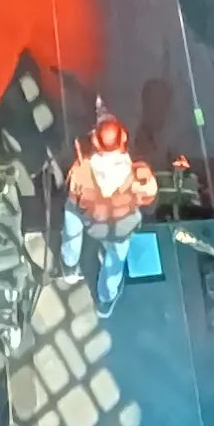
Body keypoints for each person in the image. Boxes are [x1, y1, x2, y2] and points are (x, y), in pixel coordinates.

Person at [63, 114, 155, 315]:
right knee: (115, 262)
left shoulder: (81, 169)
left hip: (92, 222)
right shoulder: (139, 173)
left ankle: (69, 266)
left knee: (71, 212)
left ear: (94, 140)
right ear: (123, 139)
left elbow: (74, 195)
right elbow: (148, 197)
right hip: (119, 229)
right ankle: (105, 300)